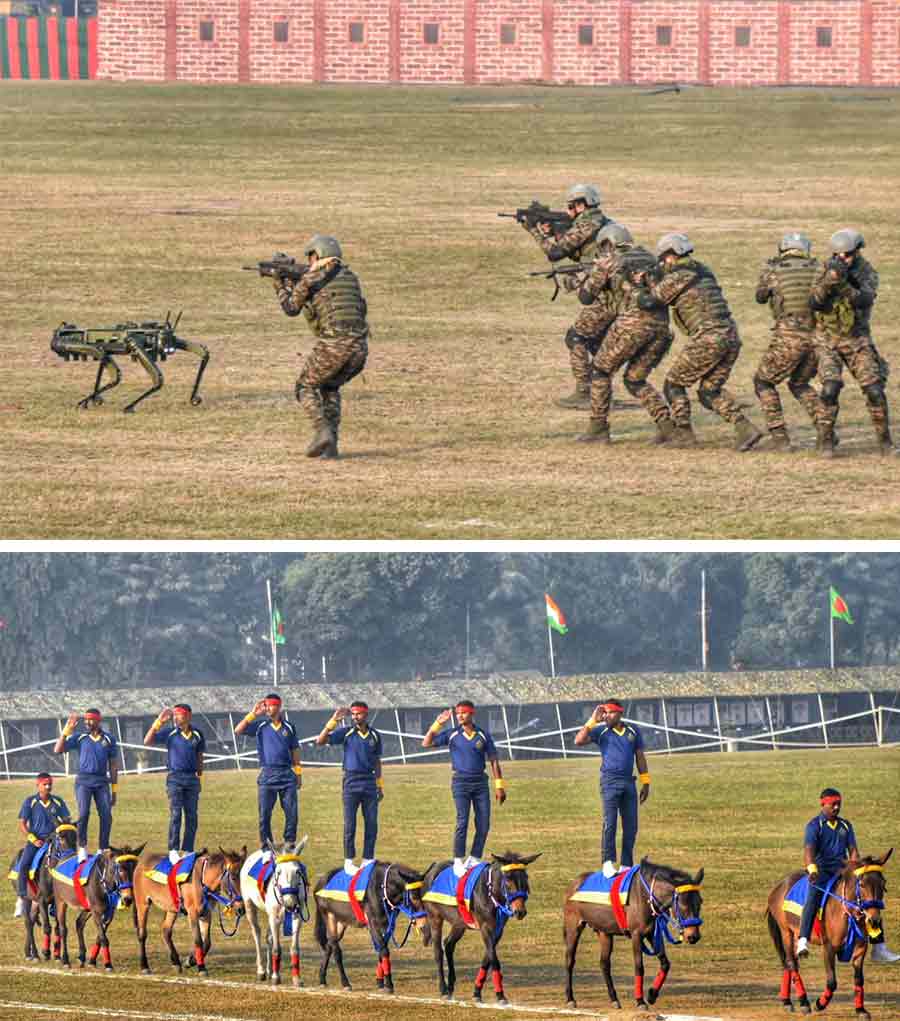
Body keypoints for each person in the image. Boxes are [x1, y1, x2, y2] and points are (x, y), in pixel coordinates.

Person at [635, 233, 764, 450]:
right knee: (708, 391)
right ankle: (745, 428)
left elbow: (649, 302)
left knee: (674, 384)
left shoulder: (678, 276)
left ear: (670, 256)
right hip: (730, 334)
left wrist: (641, 286)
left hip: (709, 336)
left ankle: (684, 434)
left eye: (663, 258)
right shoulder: (702, 269)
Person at [576, 223, 675, 445]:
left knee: (600, 371)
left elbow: (585, 298)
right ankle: (667, 426)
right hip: (662, 327)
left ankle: (598, 427)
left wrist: (591, 275)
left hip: (633, 324)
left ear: (608, 244)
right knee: (635, 379)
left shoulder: (609, 261)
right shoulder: (650, 258)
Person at [274, 234, 369, 459]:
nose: (308, 262)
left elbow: (290, 308)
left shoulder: (311, 278)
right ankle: (331, 446)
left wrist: (279, 285)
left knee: (304, 387)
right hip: (360, 348)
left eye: (310, 257)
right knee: (329, 388)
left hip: (335, 345)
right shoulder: (350, 277)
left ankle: (322, 431)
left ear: (318, 255)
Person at [526, 184, 613, 409]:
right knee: (597, 343)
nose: (568, 210)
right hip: (611, 289)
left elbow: (555, 253)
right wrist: (555, 232)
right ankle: (601, 391)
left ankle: (585, 391)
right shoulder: (599, 221)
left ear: (582, 204)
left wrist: (534, 231)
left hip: (606, 293)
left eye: (571, 206)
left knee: (576, 337)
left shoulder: (587, 223)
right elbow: (580, 253)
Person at [810, 229, 894, 456]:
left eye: (847, 255)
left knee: (874, 390)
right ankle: (825, 440)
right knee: (830, 388)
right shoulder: (823, 269)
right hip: (827, 340)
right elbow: (814, 302)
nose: (843, 259)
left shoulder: (866, 272)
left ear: (857, 252)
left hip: (857, 339)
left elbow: (864, 300)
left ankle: (885, 442)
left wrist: (844, 284)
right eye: (838, 255)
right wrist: (829, 281)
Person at [797, 787, 899, 962]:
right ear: (823, 805)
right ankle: (803, 940)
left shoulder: (846, 826)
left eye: (839, 804)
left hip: (843, 870)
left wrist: (858, 869)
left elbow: (853, 852)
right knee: (813, 898)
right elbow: (808, 852)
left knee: (870, 897)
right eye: (833, 804)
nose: (836, 807)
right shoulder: (814, 826)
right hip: (821, 872)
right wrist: (812, 869)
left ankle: (879, 946)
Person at [752, 232, 821, 451]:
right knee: (800, 384)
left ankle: (780, 437)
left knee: (763, 382)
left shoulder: (774, 269)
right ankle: (826, 431)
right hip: (818, 339)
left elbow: (760, 297)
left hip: (789, 335)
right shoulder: (820, 269)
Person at [422, 700, 506, 876]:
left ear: (472, 713)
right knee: (462, 821)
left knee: (483, 823)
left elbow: (494, 760)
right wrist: (438, 724)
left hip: (480, 783)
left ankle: (474, 858)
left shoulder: (483, 735)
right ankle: (458, 861)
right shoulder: (452, 734)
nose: (460, 715)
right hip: (460, 783)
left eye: (464, 712)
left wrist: (500, 785)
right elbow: (426, 743)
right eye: (458, 713)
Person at [574, 700, 649, 877]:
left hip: (629, 783)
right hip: (609, 782)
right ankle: (607, 863)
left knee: (631, 826)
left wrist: (646, 781)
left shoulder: (632, 731)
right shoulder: (601, 731)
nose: (605, 716)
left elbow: (640, 756)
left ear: (619, 713)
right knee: (610, 823)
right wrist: (592, 720)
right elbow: (579, 740)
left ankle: (626, 865)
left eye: (609, 712)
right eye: (604, 713)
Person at [316, 700, 383, 874]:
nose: (355, 717)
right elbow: (320, 741)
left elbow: (377, 761)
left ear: (365, 714)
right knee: (350, 824)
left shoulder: (375, 735)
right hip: (351, 781)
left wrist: (379, 784)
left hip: (369, 781)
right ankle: (349, 861)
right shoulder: (346, 732)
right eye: (353, 714)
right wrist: (333, 721)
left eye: (358, 714)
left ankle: (368, 859)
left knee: (371, 823)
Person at [234, 693, 302, 850]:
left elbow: (295, 751)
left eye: (270, 705)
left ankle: (289, 842)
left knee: (292, 813)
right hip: (267, 775)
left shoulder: (289, 728)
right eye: (265, 705)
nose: (267, 708)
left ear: (278, 707)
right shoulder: (260, 726)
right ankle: (266, 846)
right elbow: (238, 730)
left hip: (286, 774)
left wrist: (298, 773)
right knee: (264, 814)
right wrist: (253, 714)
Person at [53, 708, 118, 861]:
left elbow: (114, 766)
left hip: (102, 782)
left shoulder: (108, 739)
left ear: (98, 721)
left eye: (91, 720)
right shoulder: (80, 737)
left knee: (107, 816)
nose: (87, 722)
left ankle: (103, 848)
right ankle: (81, 846)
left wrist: (114, 790)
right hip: (83, 781)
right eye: (86, 720)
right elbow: (58, 749)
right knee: (83, 814)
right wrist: (66, 731)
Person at [143, 703, 205, 863]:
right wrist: (159, 722)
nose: (176, 718)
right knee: (176, 814)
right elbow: (147, 740)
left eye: (179, 715)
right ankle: (173, 849)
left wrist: (199, 775)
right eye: (175, 715)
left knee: (192, 816)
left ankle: (188, 849)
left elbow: (200, 755)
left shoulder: (197, 734)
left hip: (191, 779)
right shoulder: (170, 733)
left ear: (188, 716)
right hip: (175, 778)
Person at [13, 772, 71, 918]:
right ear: (38, 785)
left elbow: (66, 819)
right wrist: (32, 838)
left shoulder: (58, 801)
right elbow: (22, 824)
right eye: (45, 784)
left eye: (50, 784)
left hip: (54, 840)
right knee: (24, 864)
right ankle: (21, 898)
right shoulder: (30, 801)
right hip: (36, 841)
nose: (48, 787)